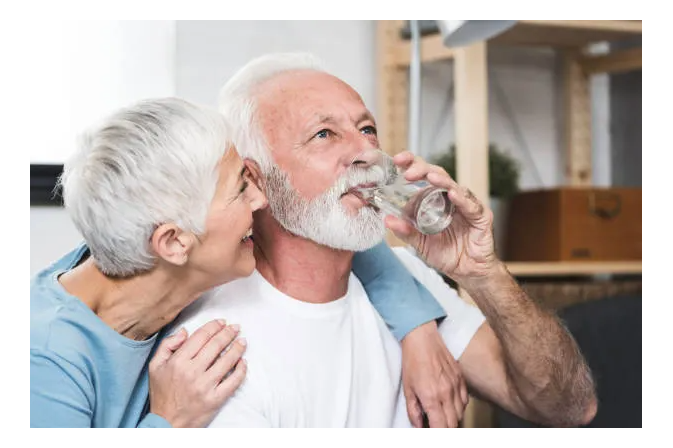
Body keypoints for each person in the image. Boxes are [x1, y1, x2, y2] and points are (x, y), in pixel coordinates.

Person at [169, 52, 598, 428]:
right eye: (324, 134)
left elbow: (568, 408)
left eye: (367, 129)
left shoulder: (408, 282)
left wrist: (483, 275)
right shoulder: (213, 348)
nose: (367, 153)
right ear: (256, 178)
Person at [30, 97, 456, 428]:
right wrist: (169, 419)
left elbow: (337, 237)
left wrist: (416, 328)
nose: (261, 200)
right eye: (240, 190)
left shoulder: (139, 258)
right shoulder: (47, 361)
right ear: (174, 242)